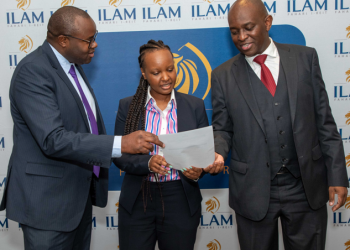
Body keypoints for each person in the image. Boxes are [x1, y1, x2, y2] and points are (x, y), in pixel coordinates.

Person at [0, 6, 164, 250]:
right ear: (63, 40)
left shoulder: (74, 67)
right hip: (48, 207)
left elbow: (84, 126)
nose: (95, 45)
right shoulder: (33, 71)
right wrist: (121, 143)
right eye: (89, 40)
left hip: (77, 201)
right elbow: (53, 139)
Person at [211, 0, 349, 249]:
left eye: (248, 27)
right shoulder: (222, 75)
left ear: (267, 22)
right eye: (234, 31)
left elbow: (324, 123)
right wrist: (218, 151)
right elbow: (222, 127)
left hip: (306, 187)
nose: (241, 37)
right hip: (252, 190)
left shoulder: (305, 58)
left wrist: (338, 176)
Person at [113, 40, 224, 250]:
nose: (165, 77)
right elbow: (119, 155)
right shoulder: (128, 107)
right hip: (138, 198)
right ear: (144, 73)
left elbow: (203, 154)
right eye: (156, 72)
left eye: (170, 69)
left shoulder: (194, 106)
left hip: (180, 198)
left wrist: (199, 171)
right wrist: (147, 163)